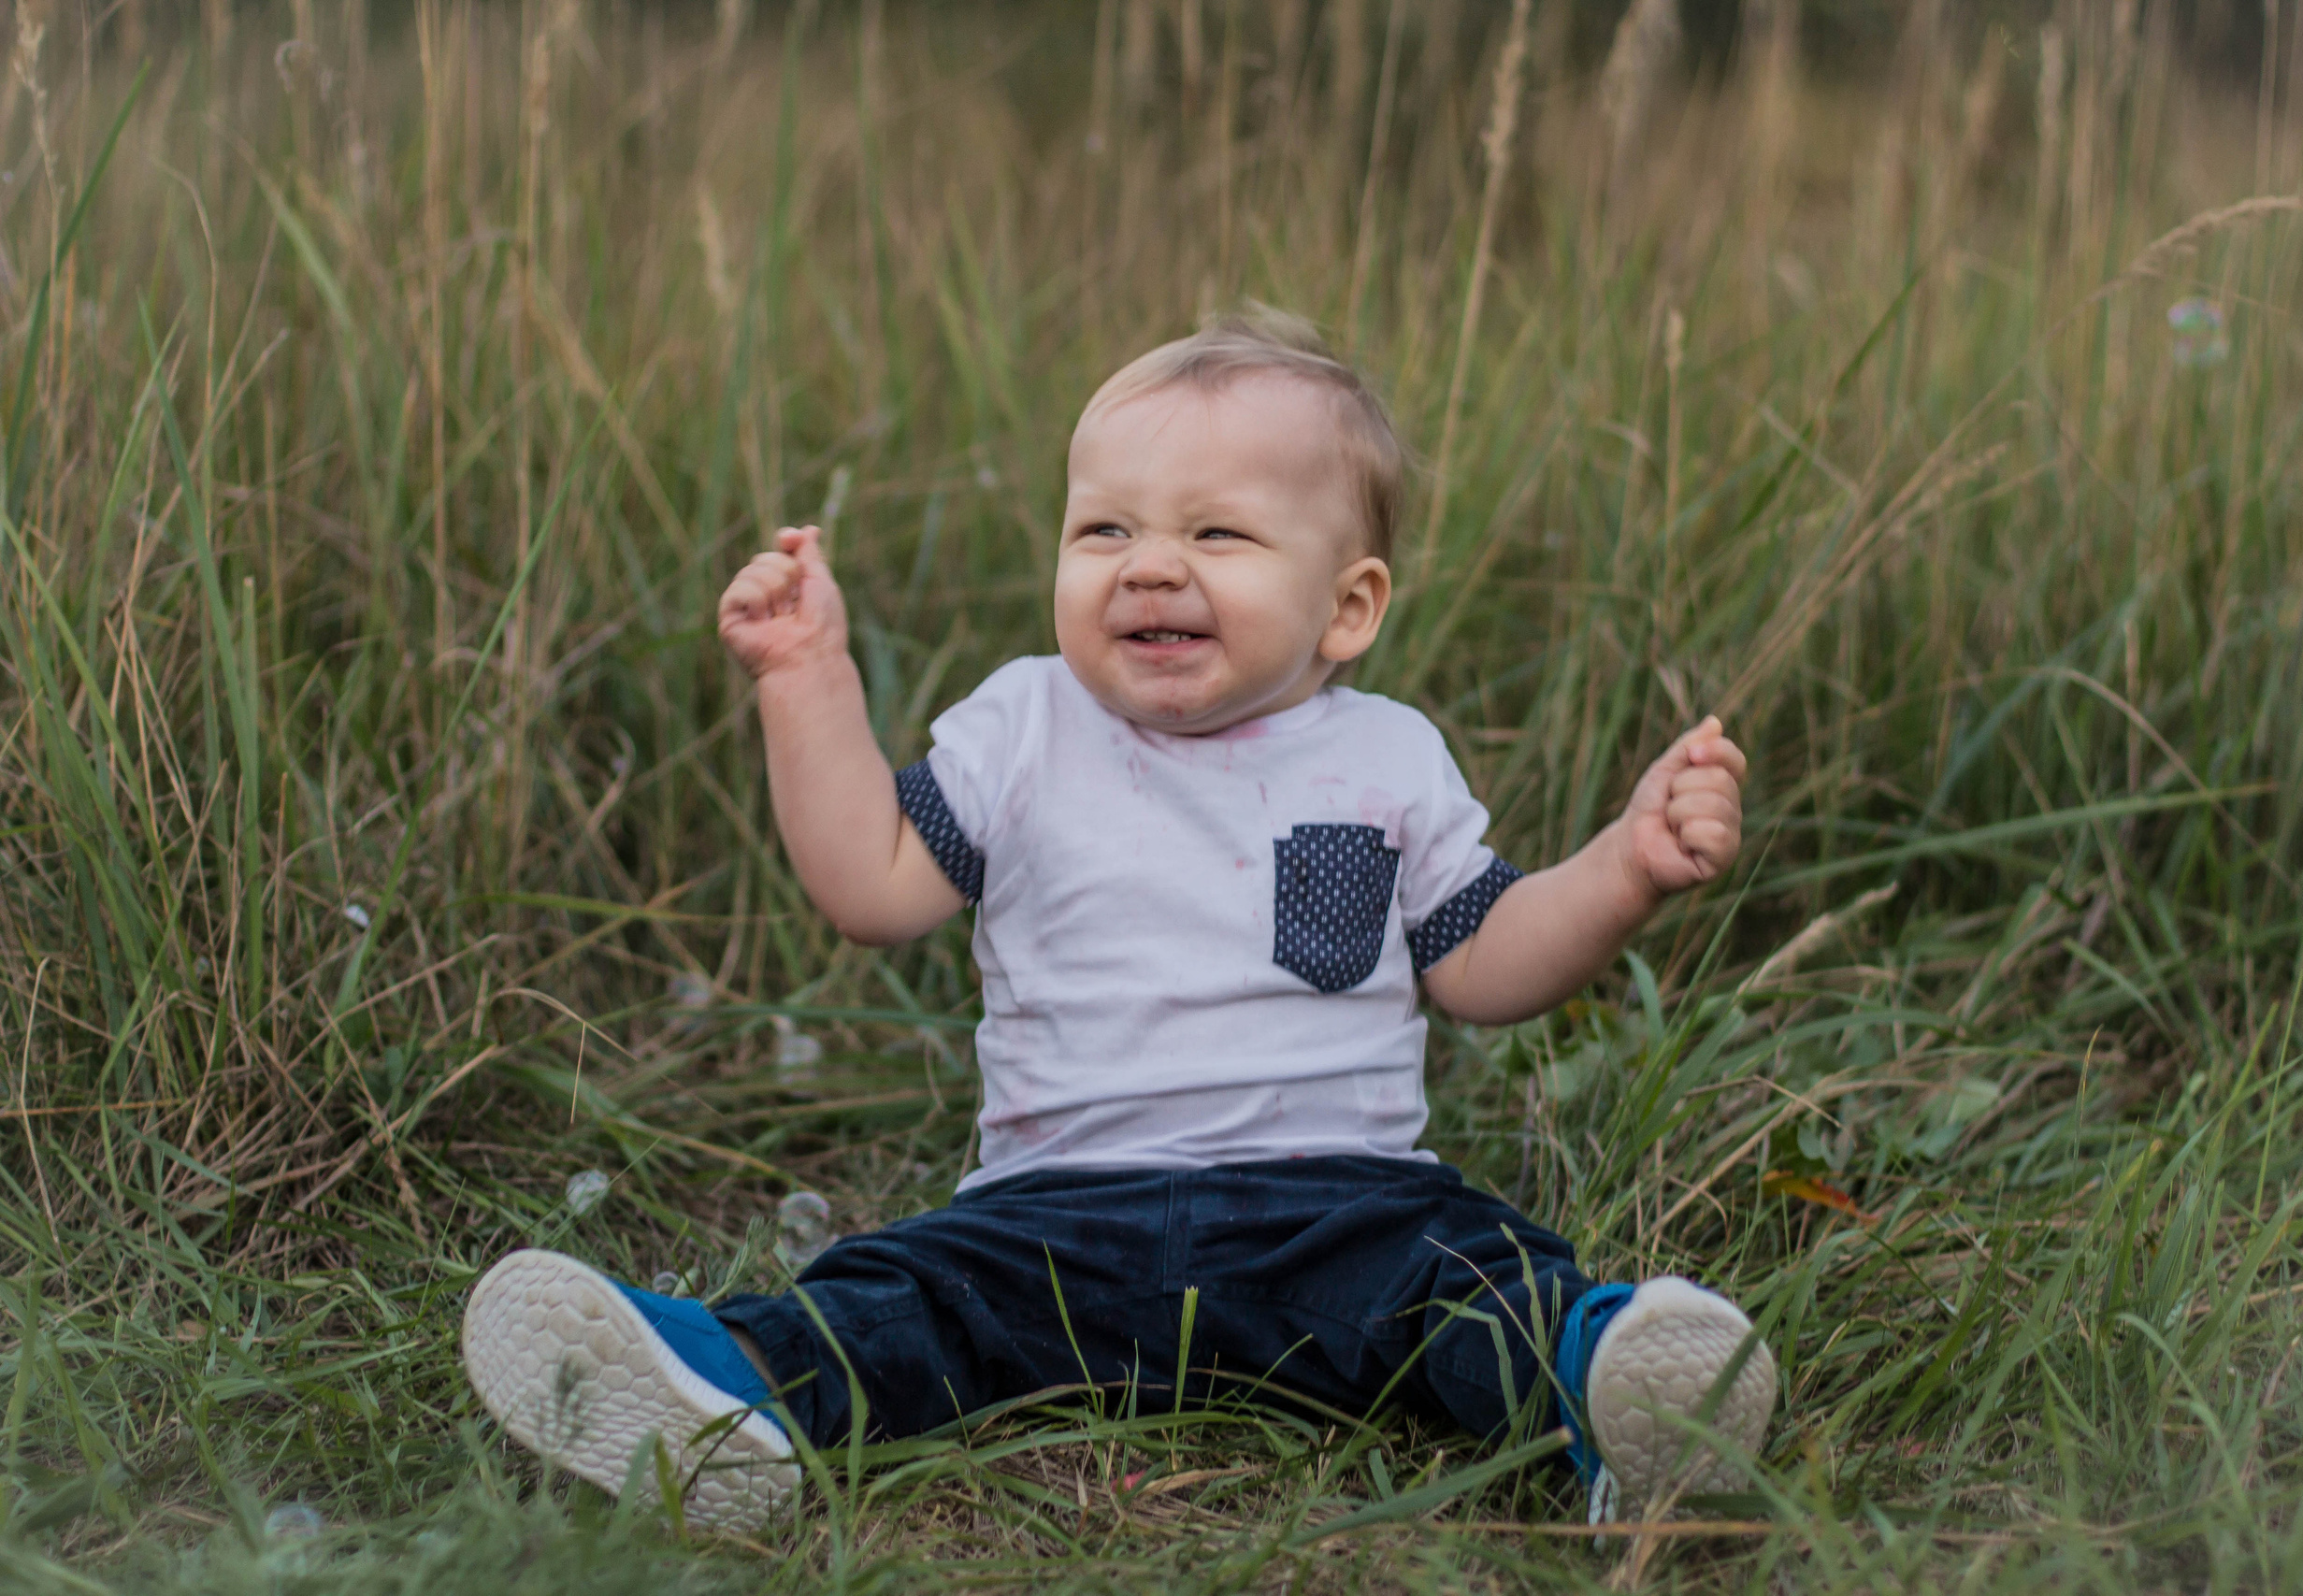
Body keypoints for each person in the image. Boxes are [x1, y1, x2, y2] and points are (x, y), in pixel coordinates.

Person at [461, 311, 1774, 1536]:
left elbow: (1485, 965)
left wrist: (1626, 867)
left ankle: (1614, 1390)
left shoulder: (1386, 756)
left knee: (1472, 1282)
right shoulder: (1025, 726)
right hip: (1049, 1223)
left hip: (1334, 1212)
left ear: (1347, 606)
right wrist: (808, 679)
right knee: (910, 1298)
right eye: (1103, 531)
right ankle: (733, 1393)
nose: (1149, 564)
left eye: (1217, 536)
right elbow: (869, 886)